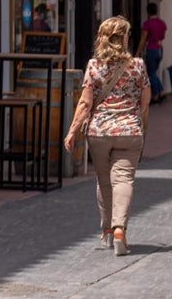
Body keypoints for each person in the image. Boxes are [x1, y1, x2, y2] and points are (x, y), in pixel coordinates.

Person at [63, 16, 150, 256]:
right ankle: (120, 228)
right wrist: (132, 116)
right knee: (123, 180)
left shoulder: (93, 66)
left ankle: (107, 232)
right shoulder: (138, 66)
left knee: (104, 181)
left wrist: (71, 131)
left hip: (99, 132)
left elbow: (84, 104)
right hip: (129, 131)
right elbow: (145, 102)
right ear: (124, 38)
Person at [141, 3, 167, 102]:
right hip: (160, 49)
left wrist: (139, 51)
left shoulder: (147, 24)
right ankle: (161, 91)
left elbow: (143, 39)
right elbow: (163, 36)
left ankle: (155, 94)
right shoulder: (162, 23)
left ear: (148, 12)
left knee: (150, 73)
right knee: (153, 72)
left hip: (151, 49)